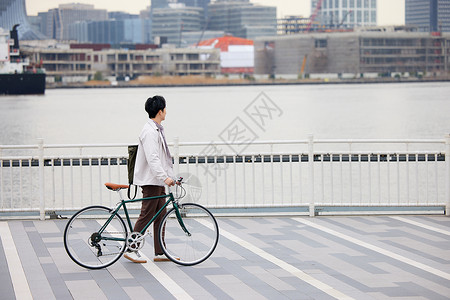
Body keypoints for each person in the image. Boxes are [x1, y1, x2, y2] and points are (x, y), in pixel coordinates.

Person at [124, 95, 175, 263]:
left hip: (157, 180)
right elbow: (153, 158)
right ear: (160, 111)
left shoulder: (157, 129)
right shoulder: (149, 131)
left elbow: (163, 158)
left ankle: (160, 252)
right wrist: (164, 177)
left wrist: (169, 177)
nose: (166, 112)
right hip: (151, 180)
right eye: (165, 109)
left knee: (160, 215)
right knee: (146, 215)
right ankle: (131, 249)